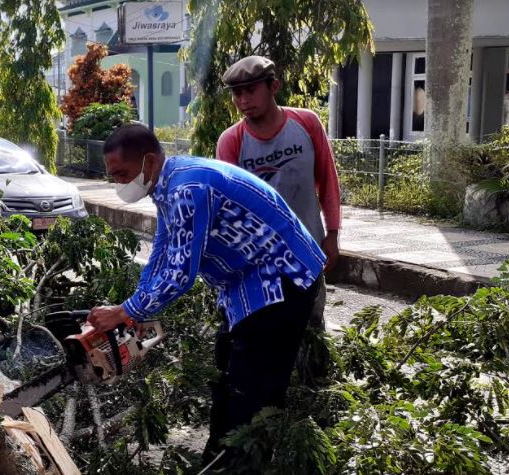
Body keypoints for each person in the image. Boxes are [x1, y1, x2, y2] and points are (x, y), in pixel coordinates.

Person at [87, 124, 326, 464]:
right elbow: (163, 250)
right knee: (225, 371)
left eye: (122, 174)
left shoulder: (188, 188)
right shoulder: (168, 186)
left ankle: (245, 464)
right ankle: (218, 458)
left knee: (253, 389)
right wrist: (134, 308)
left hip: (282, 279)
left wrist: (128, 311)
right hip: (248, 283)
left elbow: (182, 272)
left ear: (150, 161)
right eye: (113, 177)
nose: (118, 184)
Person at [216, 56, 341, 329]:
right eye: (237, 93)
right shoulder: (231, 141)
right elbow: (230, 209)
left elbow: (328, 180)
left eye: (251, 90)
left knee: (312, 326)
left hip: (308, 247)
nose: (244, 100)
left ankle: (316, 373)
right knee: (270, 333)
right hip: (261, 260)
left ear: (273, 87)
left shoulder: (306, 124)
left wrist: (332, 234)